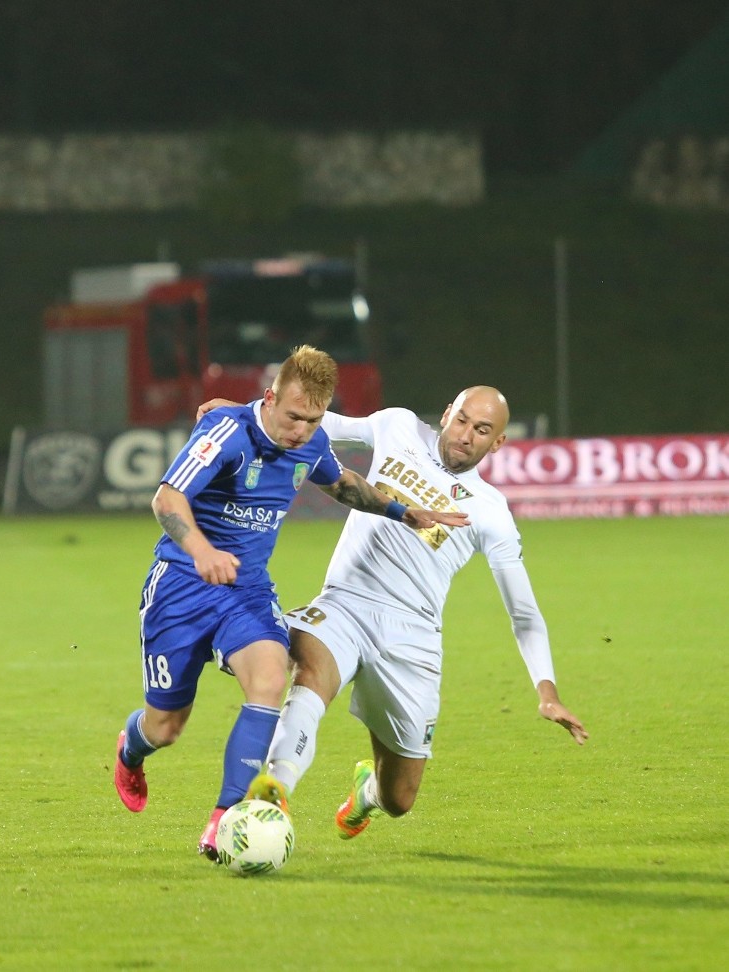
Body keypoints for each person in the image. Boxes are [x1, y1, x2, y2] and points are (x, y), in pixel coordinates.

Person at [113, 345, 468, 860]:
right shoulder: (226, 432)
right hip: (181, 586)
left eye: (313, 419)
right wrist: (202, 550)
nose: (301, 430)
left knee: (271, 678)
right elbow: (166, 499)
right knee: (166, 727)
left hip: (248, 591)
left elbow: (343, 485)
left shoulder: (312, 442)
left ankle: (226, 819)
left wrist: (403, 512)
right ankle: (131, 748)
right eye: (293, 416)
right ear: (270, 398)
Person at [200, 385, 588, 841]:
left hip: (412, 637)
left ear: (497, 442)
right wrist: (251, 410)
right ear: (447, 413)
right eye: (462, 419)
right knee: (310, 676)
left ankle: (368, 794)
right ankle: (273, 795)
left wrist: (547, 691)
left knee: (400, 798)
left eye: (482, 430)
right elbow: (321, 421)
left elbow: (523, 613)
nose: (466, 435)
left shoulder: (491, 512)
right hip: (345, 602)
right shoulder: (398, 425)